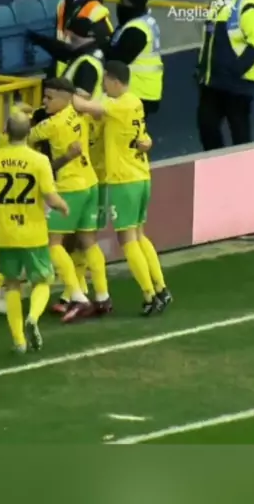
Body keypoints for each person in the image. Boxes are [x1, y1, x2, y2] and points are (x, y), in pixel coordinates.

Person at [72, 61, 172, 316]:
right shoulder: (135, 102)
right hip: (141, 175)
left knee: (126, 240)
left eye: (105, 81)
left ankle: (149, 295)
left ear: (115, 81)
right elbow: (144, 138)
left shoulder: (118, 105)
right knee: (139, 235)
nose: (103, 86)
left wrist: (66, 94)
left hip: (124, 180)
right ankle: (161, 288)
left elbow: (84, 105)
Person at [0, 112, 69, 353]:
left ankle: (18, 341)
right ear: (28, 133)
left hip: (5, 233)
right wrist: (63, 206)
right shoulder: (39, 160)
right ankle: (32, 317)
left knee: (12, 285)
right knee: (43, 281)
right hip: (33, 233)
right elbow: (50, 197)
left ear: (5, 131)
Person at [0, 103, 81, 315]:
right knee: (1, 244)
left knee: (0, 243)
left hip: (3, 198)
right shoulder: (24, 151)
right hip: (8, 200)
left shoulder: (4, 145)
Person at [28, 77, 111, 322]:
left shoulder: (51, 125)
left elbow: (26, 136)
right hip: (91, 183)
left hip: (70, 187)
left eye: (49, 98)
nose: (44, 102)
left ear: (64, 98)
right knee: (89, 242)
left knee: (53, 243)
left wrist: (23, 118)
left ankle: (77, 297)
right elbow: (94, 108)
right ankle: (103, 296)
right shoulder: (79, 113)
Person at [196, 0, 254, 150]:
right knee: (207, 126)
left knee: (240, 133)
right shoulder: (217, 6)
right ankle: (216, 161)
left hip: (237, 85)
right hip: (212, 82)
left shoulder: (248, 7)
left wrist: (236, 70)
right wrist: (201, 69)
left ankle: (243, 166)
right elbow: (209, 43)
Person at [38, 0, 112, 77]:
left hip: (82, 67)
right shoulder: (62, 4)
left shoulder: (96, 8)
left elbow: (103, 41)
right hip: (61, 64)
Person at [103, 0, 164, 119]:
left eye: (124, 2)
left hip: (138, 91)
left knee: (126, 131)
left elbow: (118, 59)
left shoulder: (137, 29)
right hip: (144, 90)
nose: (120, 5)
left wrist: (101, 45)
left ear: (135, 5)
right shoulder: (144, 21)